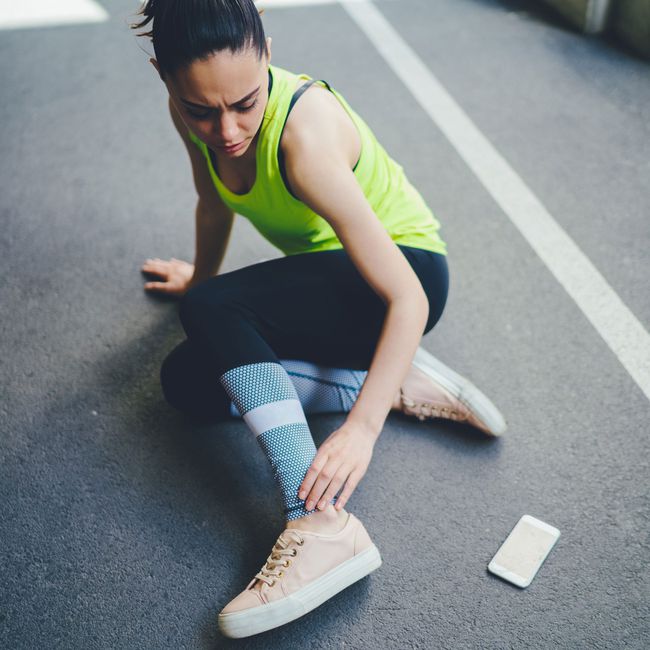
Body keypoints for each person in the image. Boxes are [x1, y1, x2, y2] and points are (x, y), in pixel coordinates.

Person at [131, 0, 506, 639]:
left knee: (215, 308)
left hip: (404, 279)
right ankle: (388, 380)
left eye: (245, 103)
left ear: (269, 55)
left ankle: (321, 523)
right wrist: (200, 274)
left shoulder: (306, 138)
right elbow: (212, 202)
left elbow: (408, 297)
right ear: (163, 76)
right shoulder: (192, 107)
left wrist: (360, 433)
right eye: (202, 110)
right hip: (339, 290)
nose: (225, 130)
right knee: (189, 381)